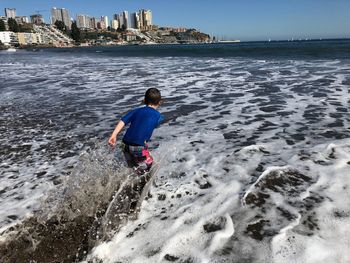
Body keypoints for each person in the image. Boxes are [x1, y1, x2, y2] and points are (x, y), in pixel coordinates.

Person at [108, 88, 164, 175]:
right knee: (148, 164)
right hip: (138, 147)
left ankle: (130, 180)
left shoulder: (136, 111)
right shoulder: (158, 116)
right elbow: (149, 126)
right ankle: (140, 183)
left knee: (132, 166)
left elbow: (123, 121)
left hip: (125, 144)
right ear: (160, 102)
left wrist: (114, 135)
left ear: (144, 100)